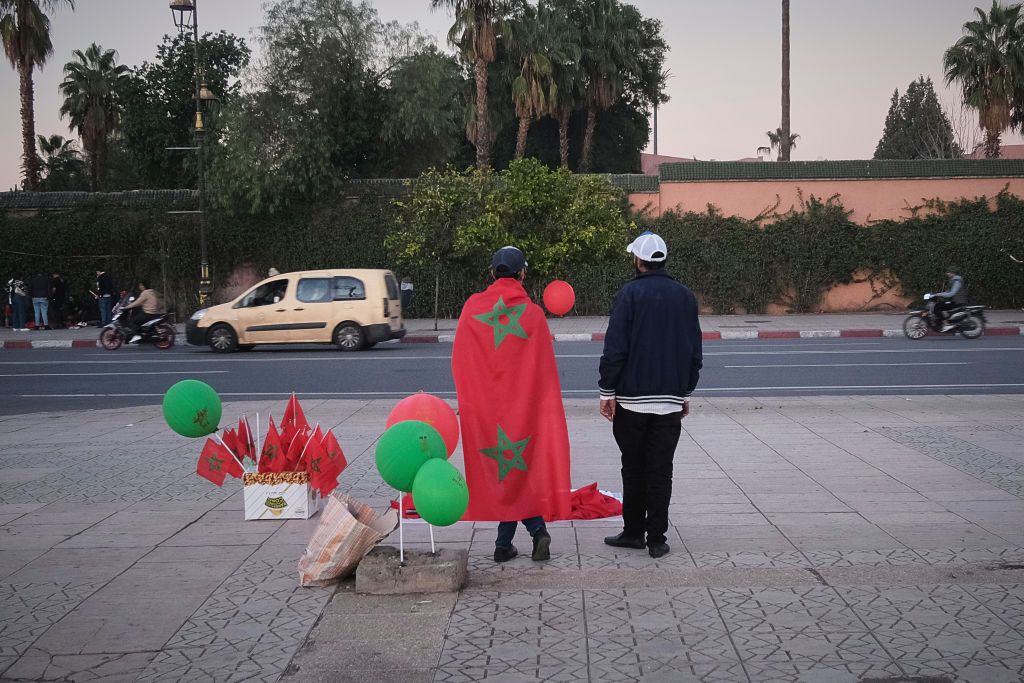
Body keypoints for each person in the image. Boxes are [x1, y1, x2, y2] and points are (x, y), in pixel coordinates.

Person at [451, 246, 571, 563]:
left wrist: (467, 398)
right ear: (522, 273)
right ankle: (534, 533)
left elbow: (461, 361)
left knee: (503, 472)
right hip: (524, 411)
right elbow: (544, 370)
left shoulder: (472, 309)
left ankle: (505, 544)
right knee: (520, 470)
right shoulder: (532, 315)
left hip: (486, 411)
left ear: (492, 273)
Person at [598, 231, 703, 559]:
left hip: (630, 401)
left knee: (633, 467)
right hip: (670, 401)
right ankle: (657, 538)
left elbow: (615, 348)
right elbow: (693, 351)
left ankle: (633, 533)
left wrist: (606, 391)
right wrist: (684, 392)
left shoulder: (629, 294)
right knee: (661, 469)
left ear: (638, 260)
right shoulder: (685, 296)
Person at [932, 266, 968, 332]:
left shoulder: (957, 281)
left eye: (948, 272)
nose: (947, 274)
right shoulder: (953, 280)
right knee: (939, 305)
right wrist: (938, 293)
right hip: (955, 301)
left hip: (957, 302)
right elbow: (948, 292)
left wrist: (938, 294)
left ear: (953, 273)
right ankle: (943, 322)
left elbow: (951, 293)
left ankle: (946, 324)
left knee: (937, 307)